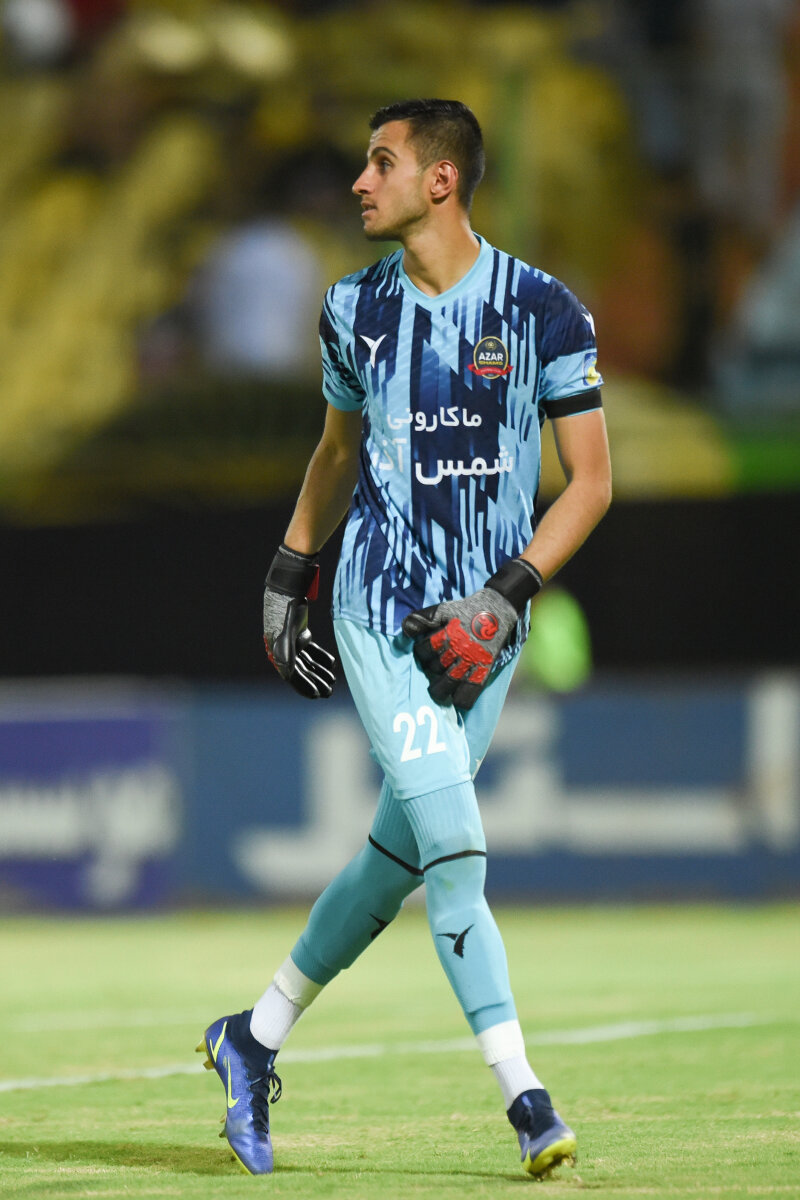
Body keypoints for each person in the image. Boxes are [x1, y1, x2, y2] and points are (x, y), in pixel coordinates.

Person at [197, 98, 612, 1179]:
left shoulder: (544, 310)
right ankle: (526, 1100)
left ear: (440, 179)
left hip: (486, 628)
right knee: (457, 850)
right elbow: (337, 452)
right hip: (380, 613)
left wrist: (507, 595)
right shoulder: (352, 310)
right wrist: (289, 572)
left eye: (380, 162)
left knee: (399, 857)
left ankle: (253, 1036)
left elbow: (590, 483)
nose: (358, 182)